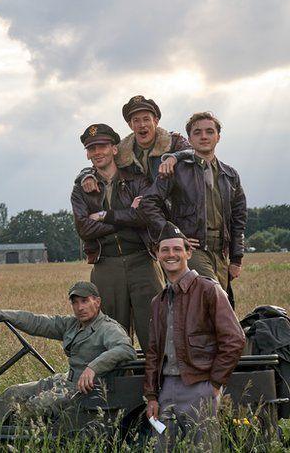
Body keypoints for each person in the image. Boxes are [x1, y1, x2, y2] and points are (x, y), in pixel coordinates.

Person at [144, 224, 245, 450]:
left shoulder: (209, 290)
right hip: (165, 390)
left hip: (199, 387)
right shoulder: (157, 302)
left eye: (177, 249)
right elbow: (153, 351)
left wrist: (214, 385)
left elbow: (234, 339)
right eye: (165, 250)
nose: (171, 255)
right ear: (157, 254)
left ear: (188, 253)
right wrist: (151, 395)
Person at [0, 281, 135, 425]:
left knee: (31, 407)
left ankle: (4, 438)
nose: (80, 307)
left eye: (84, 301)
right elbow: (37, 322)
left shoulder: (108, 328)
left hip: (85, 390)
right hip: (66, 380)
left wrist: (93, 368)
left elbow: (125, 349)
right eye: (75, 302)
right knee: (13, 392)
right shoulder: (73, 324)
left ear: (97, 302)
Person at [70, 123, 163, 348]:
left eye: (102, 146)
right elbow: (84, 229)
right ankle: (118, 384)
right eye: (92, 149)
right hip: (106, 265)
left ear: (114, 149)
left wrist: (103, 216)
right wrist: (125, 217)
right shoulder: (81, 189)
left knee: (155, 331)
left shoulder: (136, 179)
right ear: (87, 154)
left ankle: (158, 383)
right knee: (112, 336)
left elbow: (144, 216)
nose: (97, 152)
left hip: (142, 261)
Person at [139, 112, 247, 306]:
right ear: (189, 139)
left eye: (209, 131)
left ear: (218, 137)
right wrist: (175, 235)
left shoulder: (230, 175)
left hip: (221, 253)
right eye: (197, 132)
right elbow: (149, 203)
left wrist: (236, 259)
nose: (204, 136)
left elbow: (239, 219)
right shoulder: (175, 169)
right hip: (193, 249)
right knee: (215, 300)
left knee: (216, 309)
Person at [79, 95, 190, 193]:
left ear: (155, 121)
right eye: (136, 120)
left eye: (146, 119)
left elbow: (193, 152)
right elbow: (99, 164)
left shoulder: (174, 141)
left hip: (175, 208)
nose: (142, 125)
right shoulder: (121, 151)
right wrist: (87, 176)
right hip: (141, 209)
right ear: (130, 125)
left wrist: (173, 158)